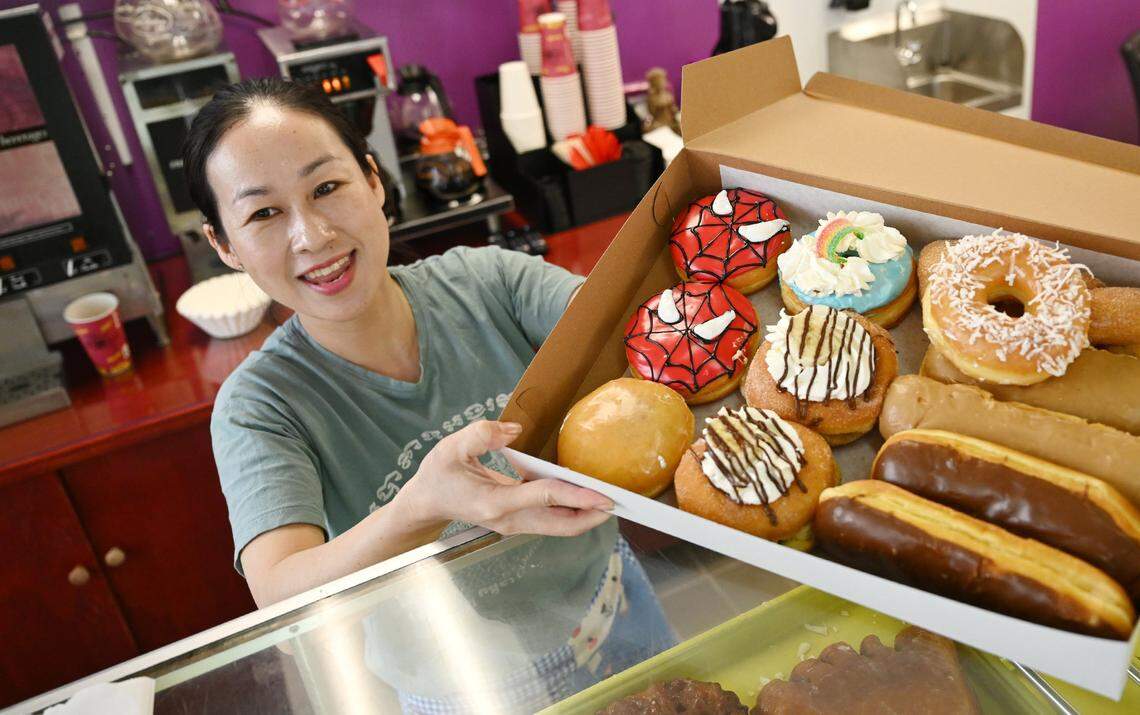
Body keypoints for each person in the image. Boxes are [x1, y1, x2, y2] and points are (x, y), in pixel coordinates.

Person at [184, 78, 674, 712]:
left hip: (616, 608)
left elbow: (637, 332)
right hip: (466, 684)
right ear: (224, 244)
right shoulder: (261, 405)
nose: (312, 236)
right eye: (263, 213)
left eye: (327, 187)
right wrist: (421, 505)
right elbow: (281, 592)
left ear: (373, 181)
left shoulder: (490, 281)